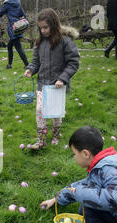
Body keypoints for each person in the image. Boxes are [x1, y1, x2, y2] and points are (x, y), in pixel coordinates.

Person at [24, 8, 79, 150]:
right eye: (40, 28)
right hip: (43, 83)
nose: (43, 31)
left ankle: (56, 134)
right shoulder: (39, 42)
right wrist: (31, 69)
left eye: (45, 27)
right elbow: (36, 61)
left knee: (56, 113)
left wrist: (63, 78)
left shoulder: (65, 41)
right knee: (40, 110)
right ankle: (41, 140)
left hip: (57, 85)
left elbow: (73, 62)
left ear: (54, 24)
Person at [0, 0, 29, 69]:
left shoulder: (7, 4)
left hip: (13, 28)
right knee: (9, 46)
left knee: (18, 47)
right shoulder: (18, 3)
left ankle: (27, 65)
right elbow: (23, 15)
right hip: (19, 27)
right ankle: (9, 65)